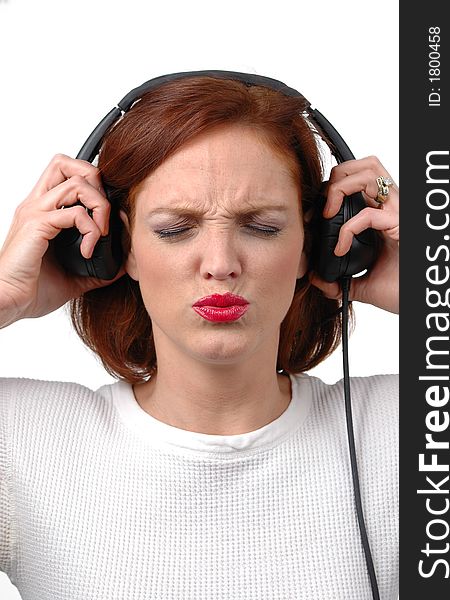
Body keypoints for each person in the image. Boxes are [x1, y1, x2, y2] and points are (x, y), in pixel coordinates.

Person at [0, 74, 398, 599]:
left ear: (315, 245)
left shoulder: (408, 430)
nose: (220, 265)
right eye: (174, 229)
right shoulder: (22, 440)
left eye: (261, 227)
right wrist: (4, 291)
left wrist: (437, 288)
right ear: (124, 247)